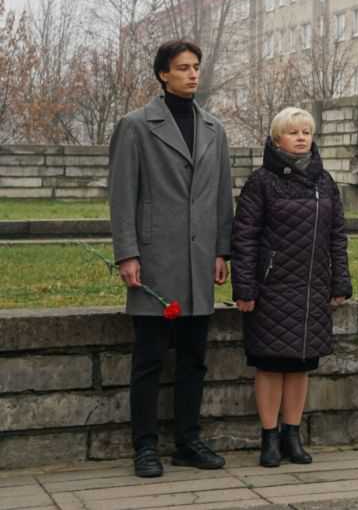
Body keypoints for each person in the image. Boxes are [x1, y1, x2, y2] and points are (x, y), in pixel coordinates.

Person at [108, 40, 233, 478]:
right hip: (155, 261)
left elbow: (221, 197)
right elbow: (122, 195)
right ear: (163, 74)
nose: (192, 74)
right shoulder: (136, 126)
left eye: (196, 67)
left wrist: (222, 250)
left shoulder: (214, 128)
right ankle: (144, 446)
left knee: (194, 357)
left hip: (200, 263)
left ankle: (188, 441)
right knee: (148, 358)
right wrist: (127, 253)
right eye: (182, 68)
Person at [231, 107, 352, 468]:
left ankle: (292, 434)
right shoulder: (261, 182)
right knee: (269, 365)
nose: (301, 137)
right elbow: (245, 237)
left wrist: (340, 280)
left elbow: (337, 236)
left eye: (306, 131)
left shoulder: (325, 182)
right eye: (293, 132)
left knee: (301, 365)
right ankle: (268, 438)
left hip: (312, 287)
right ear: (276, 139)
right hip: (272, 288)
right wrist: (246, 288)